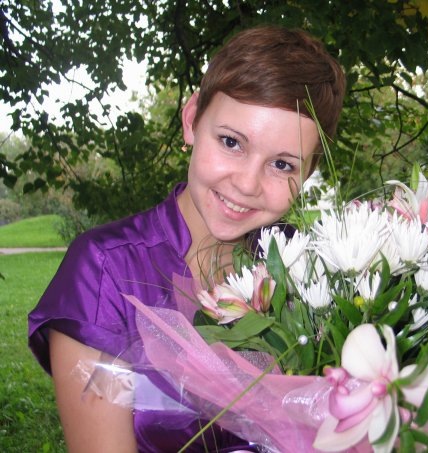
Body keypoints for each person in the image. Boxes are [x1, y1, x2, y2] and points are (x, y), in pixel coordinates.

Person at [28, 25, 346, 452]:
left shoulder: (311, 270)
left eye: (282, 165)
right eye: (231, 142)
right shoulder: (104, 272)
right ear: (192, 119)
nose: (247, 183)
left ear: (308, 172)